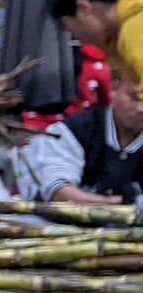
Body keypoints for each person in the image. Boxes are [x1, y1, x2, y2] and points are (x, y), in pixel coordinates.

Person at [20, 70, 143, 205]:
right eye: (134, 98)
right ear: (114, 88)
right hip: (63, 221)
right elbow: (60, 192)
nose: (140, 108)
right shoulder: (72, 131)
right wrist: (124, 202)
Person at [47, 0, 143, 89]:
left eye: (70, 29)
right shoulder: (121, 36)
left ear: (83, 8)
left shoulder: (135, 29)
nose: (78, 39)